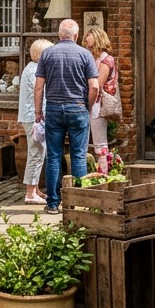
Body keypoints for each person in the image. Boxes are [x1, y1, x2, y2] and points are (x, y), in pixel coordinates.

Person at [34, 19, 99, 215]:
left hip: (53, 107)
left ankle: (53, 203)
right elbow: (94, 86)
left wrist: (38, 111)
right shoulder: (85, 54)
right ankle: (78, 201)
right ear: (76, 36)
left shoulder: (47, 54)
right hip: (78, 107)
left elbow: (38, 87)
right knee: (79, 155)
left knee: (53, 156)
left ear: (59, 35)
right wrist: (86, 107)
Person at [18, 37, 54, 204]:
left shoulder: (32, 68)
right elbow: (40, 94)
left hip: (33, 116)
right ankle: (30, 192)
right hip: (34, 117)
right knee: (36, 153)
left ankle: (35, 188)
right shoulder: (35, 71)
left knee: (39, 152)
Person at [83, 26, 117, 174]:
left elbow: (99, 83)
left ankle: (104, 173)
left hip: (98, 104)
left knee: (100, 142)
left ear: (97, 38)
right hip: (88, 102)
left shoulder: (106, 59)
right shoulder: (90, 57)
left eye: (88, 36)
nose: (85, 39)